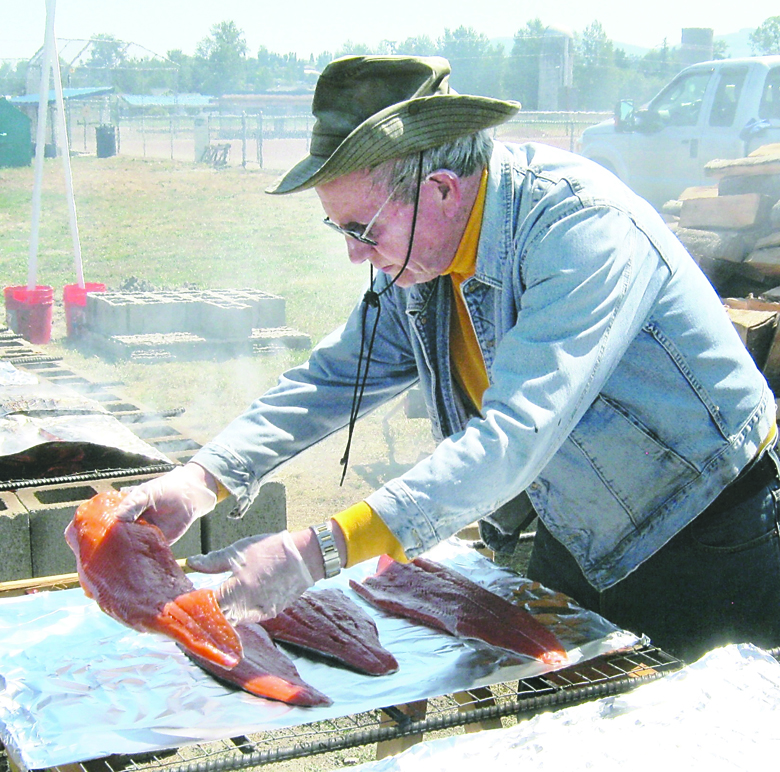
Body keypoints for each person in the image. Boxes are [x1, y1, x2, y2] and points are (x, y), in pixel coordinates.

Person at [116, 55, 780, 663]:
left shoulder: (580, 230)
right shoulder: (420, 259)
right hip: (576, 526)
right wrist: (204, 477)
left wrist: (314, 551)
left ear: (439, 190)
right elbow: (332, 377)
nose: (353, 253)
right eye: (340, 229)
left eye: (361, 229)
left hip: (708, 531)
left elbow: (516, 436)